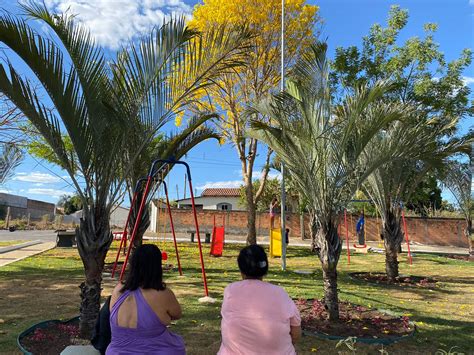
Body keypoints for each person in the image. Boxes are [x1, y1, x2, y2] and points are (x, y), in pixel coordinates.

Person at [218, 245, 301, 355]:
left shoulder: (230, 291)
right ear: (265, 269)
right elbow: (296, 332)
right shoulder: (280, 293)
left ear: (241, 269)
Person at [106, 244, 185, 355]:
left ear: (133, 265)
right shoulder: (163, 294)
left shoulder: (118, 290)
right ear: (157, 267)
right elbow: (177, 314)